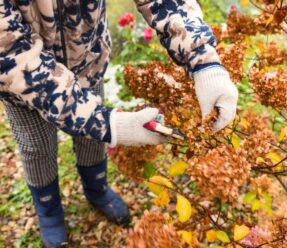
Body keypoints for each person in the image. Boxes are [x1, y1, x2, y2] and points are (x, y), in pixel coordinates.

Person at [0, 0, 238, 247]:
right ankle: (48, 210)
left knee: (92, 138)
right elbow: (11, 53)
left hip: (87, 61)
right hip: (21, 86)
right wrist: (109, 123)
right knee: (36, 148)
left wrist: (205, 61)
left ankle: (96, 188)